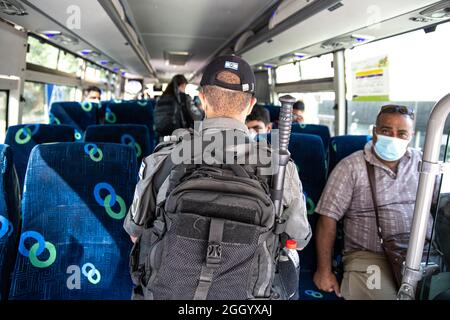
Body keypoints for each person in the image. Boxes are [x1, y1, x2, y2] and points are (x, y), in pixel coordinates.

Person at [123, 55, 311, 300]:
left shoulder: (164, 157)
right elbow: (298, 238)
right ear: (250, 104)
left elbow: (135, 232)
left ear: (201, 99)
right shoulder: (280, 166)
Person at [313, 104, 433, 300]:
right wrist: (324, 271)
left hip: (424, 254)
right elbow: (327, 218)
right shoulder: (351, 167)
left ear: (410, 136)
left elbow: (441, 204)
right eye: (386, 131)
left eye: (401, 133)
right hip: (370, 257)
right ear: (374, 132)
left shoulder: (423, 164)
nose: (394, 138)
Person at [154, 74, 196, 139]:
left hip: (161, 135)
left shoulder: (160, 98)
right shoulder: (183, 97)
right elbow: (193, 116)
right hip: (178, 135)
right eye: (184, 86)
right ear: (182, 85)